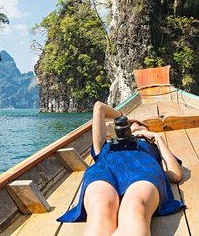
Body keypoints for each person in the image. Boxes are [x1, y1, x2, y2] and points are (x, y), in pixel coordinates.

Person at [57, 101, 184, 236]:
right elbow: (99, 107)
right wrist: (123, 117)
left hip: (143, 171)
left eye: (142, 124)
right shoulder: (105, 145)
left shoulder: (151, 146)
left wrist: (157, 139)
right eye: (132, 124)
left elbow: (175, 175)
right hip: (105, 171)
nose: (137, 124)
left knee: (135, 208)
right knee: (101, 208)